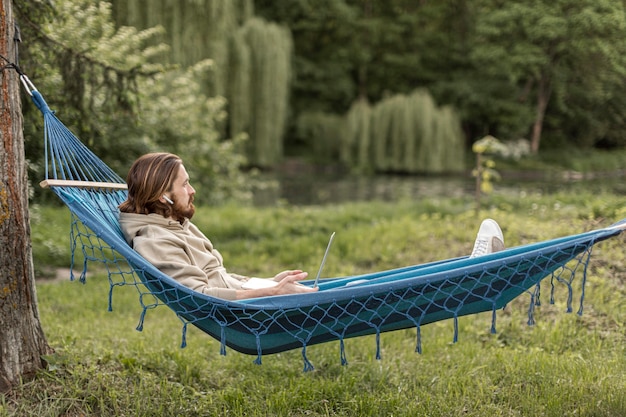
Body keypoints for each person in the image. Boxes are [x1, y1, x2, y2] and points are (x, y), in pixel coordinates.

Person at [118, 152, 505, 300]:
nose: (193, 189)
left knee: (356, 290)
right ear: (164, 195)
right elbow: (203, 295)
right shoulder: (155, 237)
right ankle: (472, 275)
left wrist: (265, 282)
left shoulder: (173, 222)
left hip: (248, 297)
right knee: (359, 297)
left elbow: (217, 278)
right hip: (245, 315)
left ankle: (470, 269)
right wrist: (270, 291)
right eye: (185, 183)